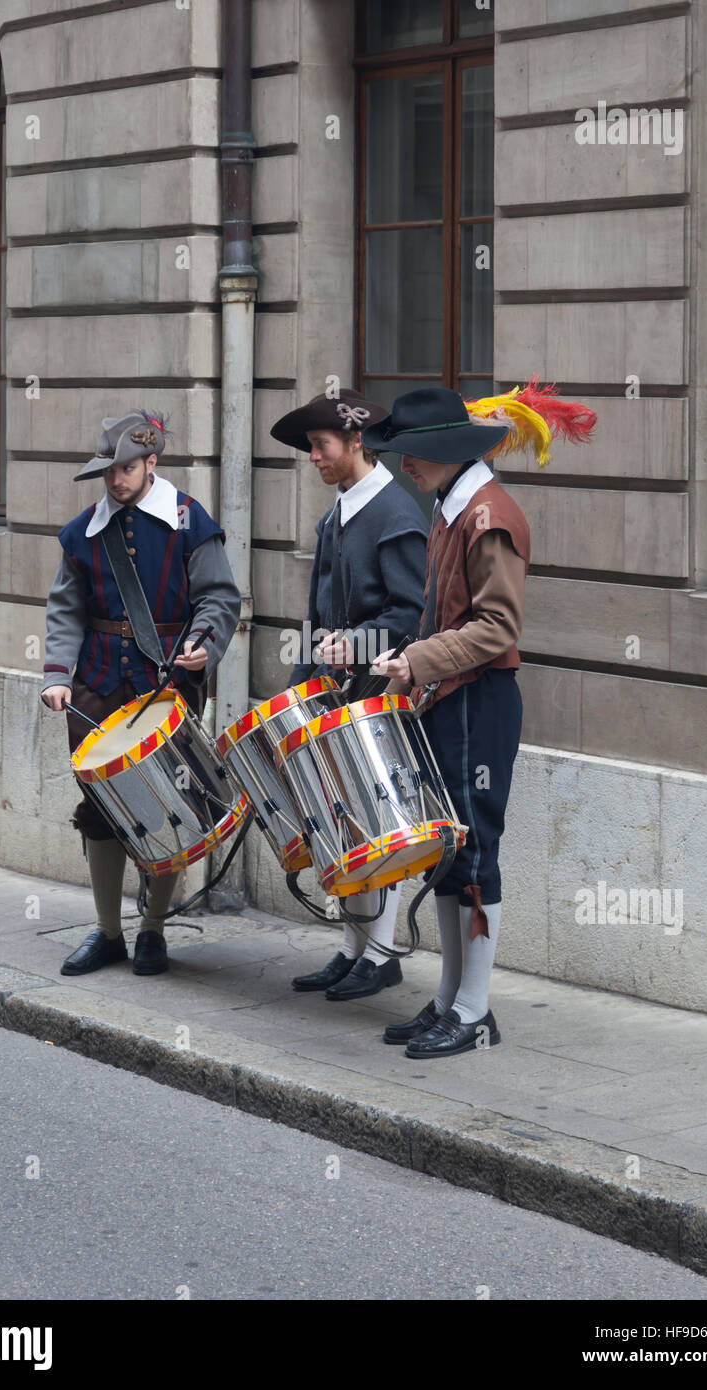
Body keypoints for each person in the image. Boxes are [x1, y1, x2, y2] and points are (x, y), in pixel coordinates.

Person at [41, 410, 240, 977]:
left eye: (126, 468)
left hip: (165, 685)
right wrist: (57, 677)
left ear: (152, 463)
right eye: (108, 471)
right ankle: (107, 931)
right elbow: (65, 610)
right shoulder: (82, 533)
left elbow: (219, 599)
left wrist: (203, 646)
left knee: (167, 807)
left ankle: (152, 929)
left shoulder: (188, 521)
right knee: (100, 807)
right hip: (98, 687)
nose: (116, 480)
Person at [364, 387, 529, 1058]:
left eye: (410, 454)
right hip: (448, 697)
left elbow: (497, 627)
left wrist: (418, 661)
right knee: (448, 853)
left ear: (441, 452)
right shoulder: (455, 506)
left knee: (476, 856)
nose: (404, 466)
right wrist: (413, 660)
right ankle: (447, 1001)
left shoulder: (489, 514)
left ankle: (475, 1010)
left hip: (479, 701)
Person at [269, 389, 429, 1000]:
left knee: (374, 822)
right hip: (335, 695)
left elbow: (411, 612)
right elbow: (318, 619)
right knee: (344, 822)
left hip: (377, 691)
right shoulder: (337, 513)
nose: (313, 456)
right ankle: (352, 947)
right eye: (311, 446)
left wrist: (358, 645)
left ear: (356, 443)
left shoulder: (396, 513)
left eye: (321, 445)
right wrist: (296, 694)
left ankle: (383, 954)